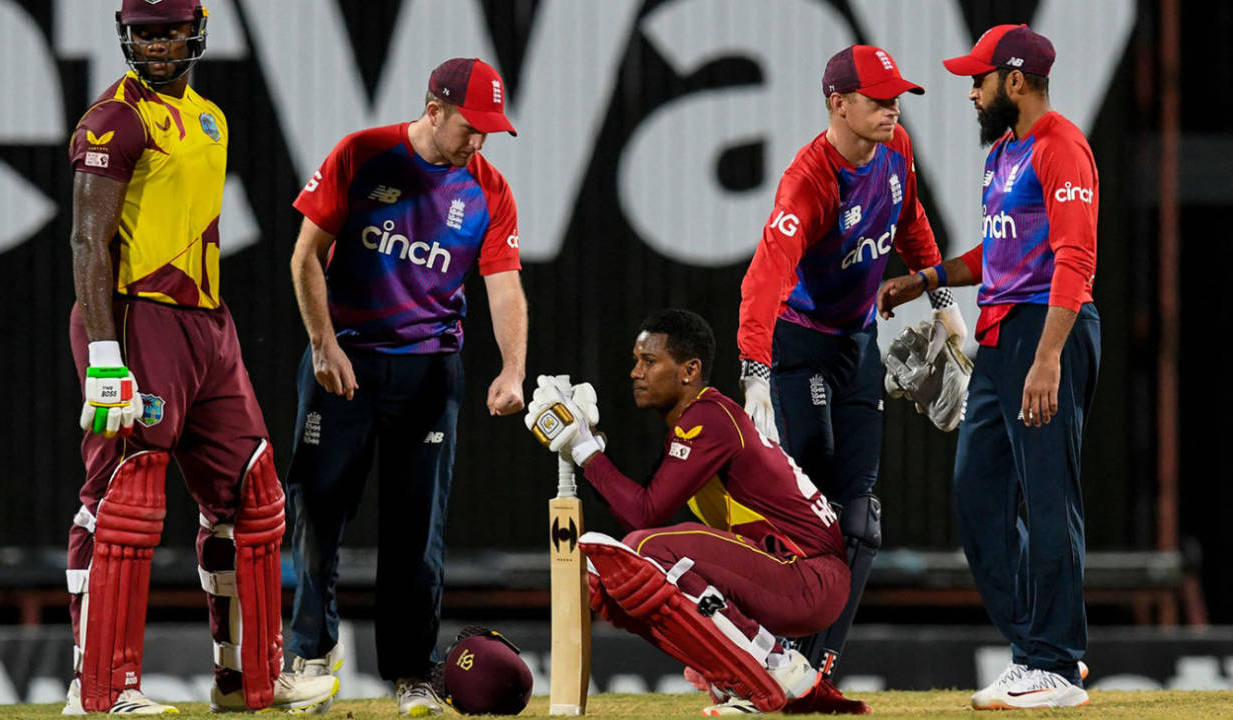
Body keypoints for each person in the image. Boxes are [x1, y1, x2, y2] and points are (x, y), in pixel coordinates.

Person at [63, 0, 338, 714]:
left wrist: (208, 332)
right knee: (124, 501)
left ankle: (248, 680)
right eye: (144, 31)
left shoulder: (211, 118)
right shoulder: (114, 119)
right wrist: (101, 353)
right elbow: (88, 242)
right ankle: (100, 689)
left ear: (197, 28)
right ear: (126, 34)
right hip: (134, 318)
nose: (156, 45)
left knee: (254, 495)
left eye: (169, 30)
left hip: (208, 326)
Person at [286, 57, 528, 716]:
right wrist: (323, 343)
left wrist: (513, 369)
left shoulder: (489, 188)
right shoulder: (363, 154)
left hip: (428, 371)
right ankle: (309, 657)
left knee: (417, 528)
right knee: (319, 511)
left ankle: (413, 674)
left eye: (489, 130)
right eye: (471, 127)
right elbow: (305, 255)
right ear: (434, 109)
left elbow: (503, 284)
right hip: (345, 364)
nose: (478, 141)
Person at [877, 24, 1099, 710]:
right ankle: (1036, 648)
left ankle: (1055, 664)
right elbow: (1000, 254)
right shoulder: (1005, 152)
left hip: (1044, 331)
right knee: (978, 496)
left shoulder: (1061, 147)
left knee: (1048, 493)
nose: (970, 92)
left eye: (978, 79)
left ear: (1015, 80)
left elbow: (1075, 259)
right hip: (1001, 336)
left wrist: (1049, 358)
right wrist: (928, 278)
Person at [735, 44, 963, 713]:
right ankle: (753, 658)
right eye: (878, 99)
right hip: (800, 346)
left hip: (857, 341)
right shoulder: (808, 181)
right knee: (812, 514)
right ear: (838, 103)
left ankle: (810, 671)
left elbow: (912, 221)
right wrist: (755, 371)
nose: (892, 109)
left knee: (861, 522)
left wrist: (942, 300)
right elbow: (763, 280)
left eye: (896, 98)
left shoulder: (897, 153)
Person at [525, 309, 850, 716]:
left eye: (649, 361)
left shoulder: (709, 418)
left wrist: (586, 450)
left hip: (807, 575)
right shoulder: (702, 419)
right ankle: (731, 669)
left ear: (689, 370)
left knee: (641, 549)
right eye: (636, 361)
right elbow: (639, 508)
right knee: (610, 577)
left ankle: (774, 665)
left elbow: (645, 517)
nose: (635, 373)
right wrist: (590, 448)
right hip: (792, 572)